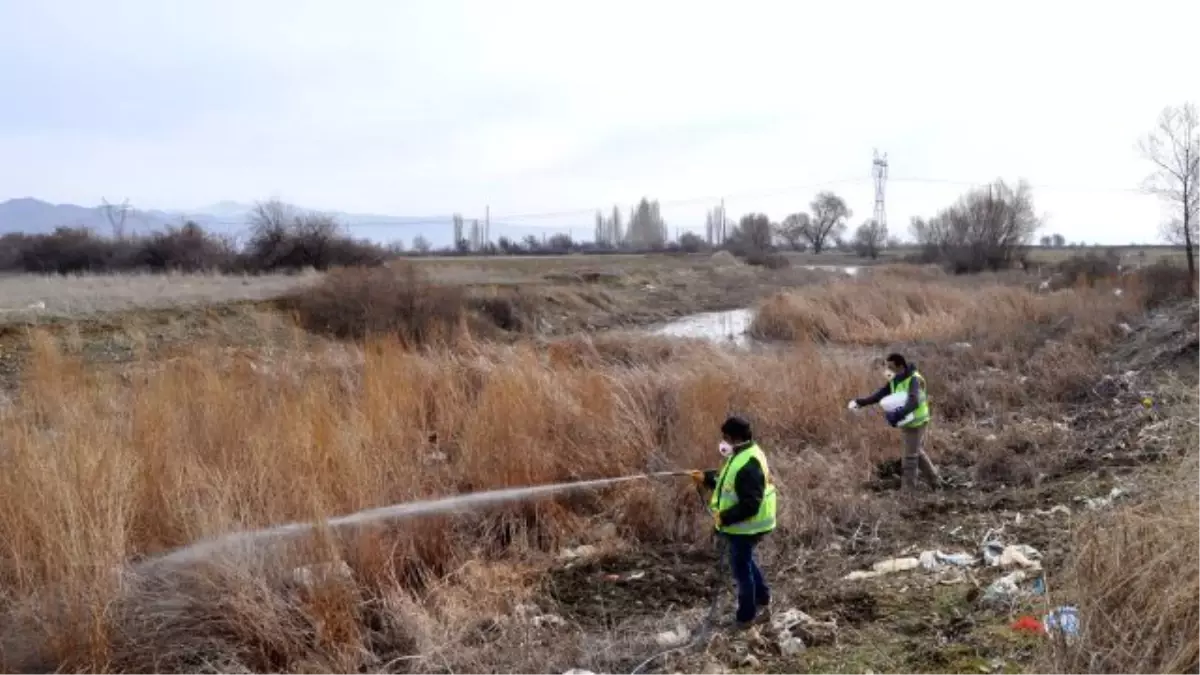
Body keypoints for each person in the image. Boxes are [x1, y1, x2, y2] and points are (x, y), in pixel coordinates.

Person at [690, 416, 777, 629]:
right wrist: (706, 479)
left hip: (747, 526)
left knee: (741, 569)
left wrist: (725, 517)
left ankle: (746, 617)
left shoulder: (749, 463)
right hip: (743, 525)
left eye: (726, 438)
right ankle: (763, 599)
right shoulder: (740, 455)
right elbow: (727, 483)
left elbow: (751, 505)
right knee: (745, 562)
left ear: (735, 438)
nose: (723, 442)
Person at [848, 353, 942, 492]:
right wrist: (862, 402)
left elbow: (914, 402)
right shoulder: (895, 379)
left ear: (900, 366)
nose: (887, 370)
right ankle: (935, 482)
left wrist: (898, 415)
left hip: (916, 421)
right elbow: (881, 394)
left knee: (909, 457)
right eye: (887, 366)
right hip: (907, 421)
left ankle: (908, 490)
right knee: (916, 451)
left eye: (891, 367)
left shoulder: (914, 380)